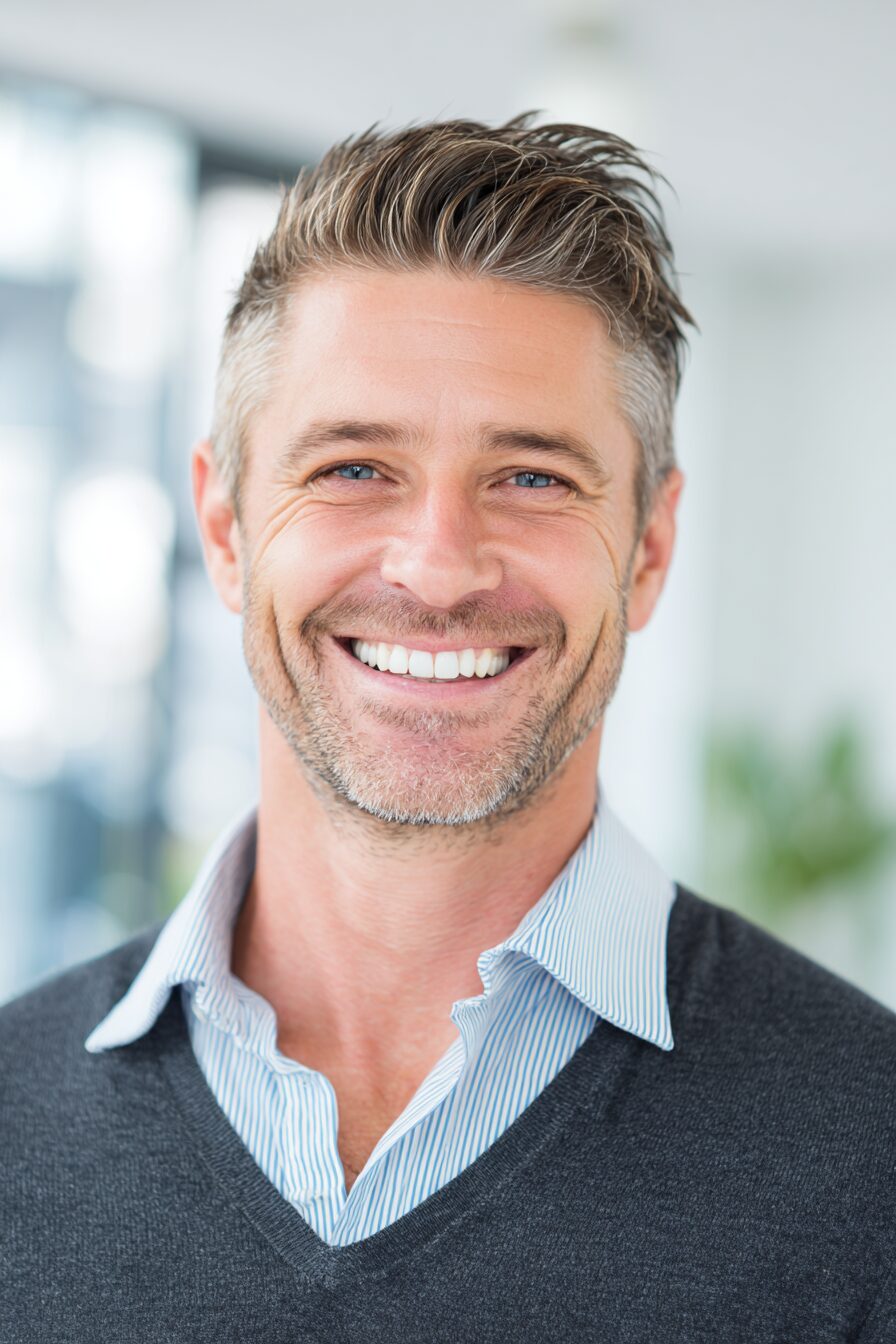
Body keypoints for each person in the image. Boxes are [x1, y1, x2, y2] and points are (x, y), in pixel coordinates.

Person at [2, 114, 894, 1343]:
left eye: (531, 477)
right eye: (353, 467)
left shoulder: (870, 1156)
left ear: (646, 547)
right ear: (224, 528)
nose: (435, 570)